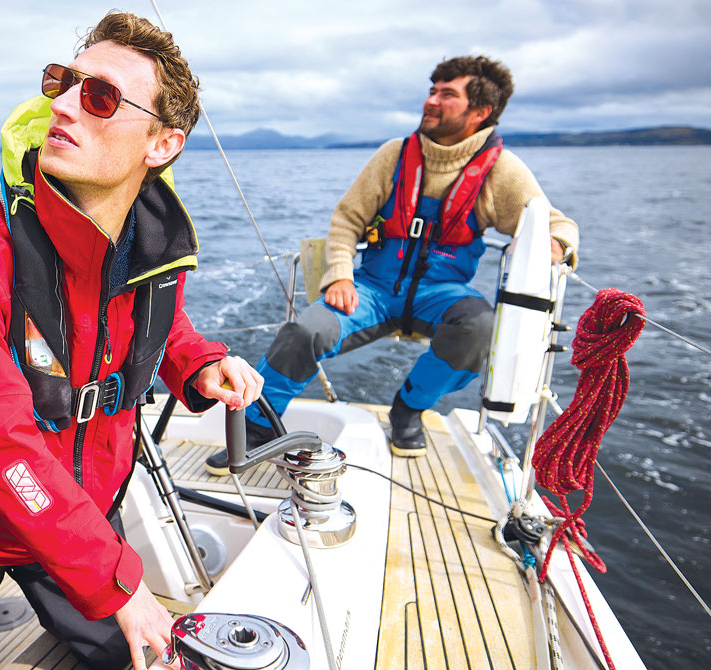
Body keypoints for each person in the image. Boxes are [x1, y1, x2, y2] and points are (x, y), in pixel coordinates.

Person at [0, 12, 262, 670]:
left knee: (147, 660)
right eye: (63, 81)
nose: (64, 104)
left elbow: (158, 330)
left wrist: (200, 364)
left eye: (100, 96)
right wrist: (118, 579)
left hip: (79, 518)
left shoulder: (154, 247)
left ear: (162, 144)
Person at [206, 55, 578, 471]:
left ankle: (408, 409)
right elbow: (347, 220)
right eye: (432, 90)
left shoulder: (502, 171)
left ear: (480, 112)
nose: (431, 100)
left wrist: (555, 244)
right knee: (305, 330)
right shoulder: (394, 155)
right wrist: (340, 276)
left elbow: (558, 225)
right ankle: (258, 428)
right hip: (373, 289)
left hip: (442, 293)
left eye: (447, 94)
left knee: (481, 330)